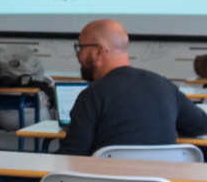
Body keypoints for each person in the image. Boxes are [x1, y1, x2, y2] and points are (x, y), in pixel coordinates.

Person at [59, 19, 207, 156]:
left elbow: (70, 158)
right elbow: (202, 126)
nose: (78, 55)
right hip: (161, 176)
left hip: (107, 176)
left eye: (80, 47)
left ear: (99, 52)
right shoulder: (165, 86)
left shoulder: (91, 96)